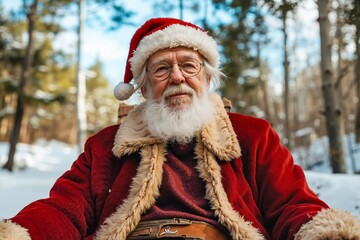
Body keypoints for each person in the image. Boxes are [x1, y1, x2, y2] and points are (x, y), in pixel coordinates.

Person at [1, 17, 359, 240]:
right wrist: (20, 234)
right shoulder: (106, 145)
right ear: (142, 87)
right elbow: (64, 210)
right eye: (161, 69)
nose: (177, 77)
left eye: (189, 65)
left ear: (207, 77)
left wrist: (322, 232)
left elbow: (291, 205)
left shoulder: (253, 135)